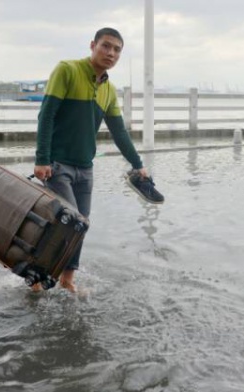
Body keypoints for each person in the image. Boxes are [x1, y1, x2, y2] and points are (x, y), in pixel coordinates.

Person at [34, 27, 150, 292]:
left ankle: (67, 279)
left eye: (117, 49)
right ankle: (38, 275)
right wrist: (42, 159)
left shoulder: (109, 89)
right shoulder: (67, 69)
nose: (111, 53)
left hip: (85, 168)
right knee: (71, 220)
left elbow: (119, 131)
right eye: (106, 46)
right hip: (57, 164)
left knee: (81, 224)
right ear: (93, 45)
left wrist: (138, 164)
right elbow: (46, 115)